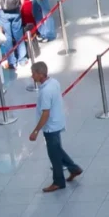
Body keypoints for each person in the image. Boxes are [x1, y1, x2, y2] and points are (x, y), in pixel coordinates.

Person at [28, 62, 80, 193]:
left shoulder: (45, 91)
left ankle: (58, 182)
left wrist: (35, 131)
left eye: (33, 73)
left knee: (54, 155)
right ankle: (74, 168)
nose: (31, 76)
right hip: (58, 121)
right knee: (56, 150)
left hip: (51, 126)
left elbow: (45, 113)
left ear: (40, 74)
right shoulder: (54, 82)